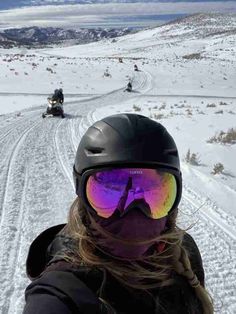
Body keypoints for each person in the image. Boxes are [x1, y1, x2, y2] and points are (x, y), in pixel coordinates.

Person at [23, 114, 213, 314]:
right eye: (112, 191)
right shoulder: (63, 289)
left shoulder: (184, 253)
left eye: (151, 193)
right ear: (81, 193)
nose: (134, 214)